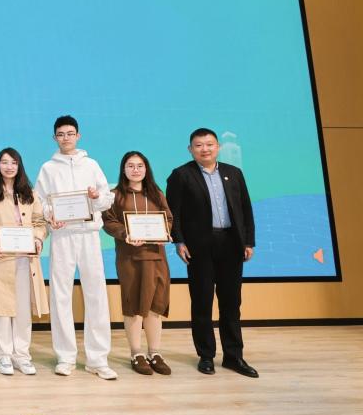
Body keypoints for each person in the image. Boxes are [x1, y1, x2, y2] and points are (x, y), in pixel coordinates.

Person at [166, 128, 257, 378]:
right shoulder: (181, 175)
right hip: (199, 248)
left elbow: (245, 209)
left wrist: (248, 241)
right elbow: (173, 213)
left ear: (218, 147)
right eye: (198, 145)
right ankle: (206, 355)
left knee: (231, 303)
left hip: (231, 244)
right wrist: (179, 241)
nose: (204, 149)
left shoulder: (233, 173)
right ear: (190, 149)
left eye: (209, 144)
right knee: (202, 302)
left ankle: (233, 356)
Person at [34, 115, 116, 380]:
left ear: (78, 136)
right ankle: (65, 356)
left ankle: (97, 359)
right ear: (54, 138)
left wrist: (96, 196)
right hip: (62, 236)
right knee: (60, 296)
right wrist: (51, 216)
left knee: (96, 295)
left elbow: (107, 199)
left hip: (89, 235)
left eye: (70, 133)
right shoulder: (48, 168)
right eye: (61, 134)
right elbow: (39, 202)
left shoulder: (91, 165)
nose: (66, 138)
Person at [0, 148, 49, 376]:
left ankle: (22, 355)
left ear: (19, 166)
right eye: (4, 162)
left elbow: (40, 222)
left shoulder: (30, 193)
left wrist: (38, 238)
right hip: (0, 259)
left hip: (25, 260)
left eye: (13, 162)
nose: (9, 167)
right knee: (1, 310)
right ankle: (3, 355)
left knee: (23, 310)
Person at [102, 152, 174, 376]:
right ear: (123, 169)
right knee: (134, 306)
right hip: (130, 258)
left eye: (140, 165)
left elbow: (168, 218)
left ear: (146, 169)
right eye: (130, 166)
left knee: (155, 306)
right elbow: (108, 222)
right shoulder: (115, 195)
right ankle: (136, 353)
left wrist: (165, 232)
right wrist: (125, 234)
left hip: (157, 256)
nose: (135, 170)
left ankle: (155, 353)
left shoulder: (156, 193)